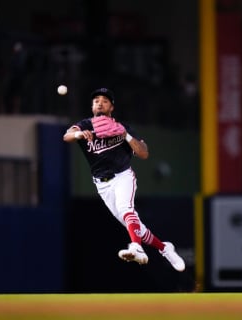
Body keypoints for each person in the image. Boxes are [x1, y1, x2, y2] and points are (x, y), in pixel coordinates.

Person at [63, 87, 185, 272]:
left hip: (122, 176)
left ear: (111, 107)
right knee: (133, 224)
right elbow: (67, 136)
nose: (100, 103)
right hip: (102, 185)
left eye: (105, 100)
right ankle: (164, 248)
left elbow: (143, 153)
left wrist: (125, 136)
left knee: (125, 209)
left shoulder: (124, 128)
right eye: (96, 101)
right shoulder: (85, 125)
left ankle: (136, 248)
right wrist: (79, 134)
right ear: (92, 106)